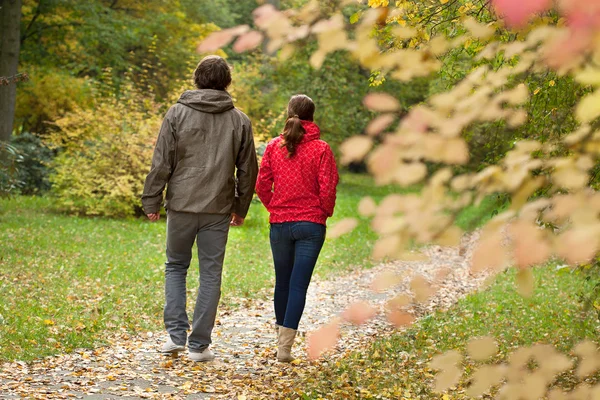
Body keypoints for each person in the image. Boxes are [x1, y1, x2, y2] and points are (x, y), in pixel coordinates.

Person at [142, 55, 258, 362]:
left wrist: (151, 199)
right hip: (217, 207)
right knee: (210, 274)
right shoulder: (240, 120)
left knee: (175, 266)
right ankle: (198, 346)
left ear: (197, 79)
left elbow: (162, 161)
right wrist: (241, 207)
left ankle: (175, 336)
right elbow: (248, 170)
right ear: (227, 81)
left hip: (181, 203)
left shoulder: (177, 113)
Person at [255, 94, 339, 362]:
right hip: (311, 225)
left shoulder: (273, 146)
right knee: (298, 285)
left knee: (282, 282)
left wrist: (275, 207)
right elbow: (328, 187)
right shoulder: (322, 149)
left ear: (288, 113)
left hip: (280, 224)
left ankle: (282, 339)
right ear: (312, 116)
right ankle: (284, 349)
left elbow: (261, 186)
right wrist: (324, 212)